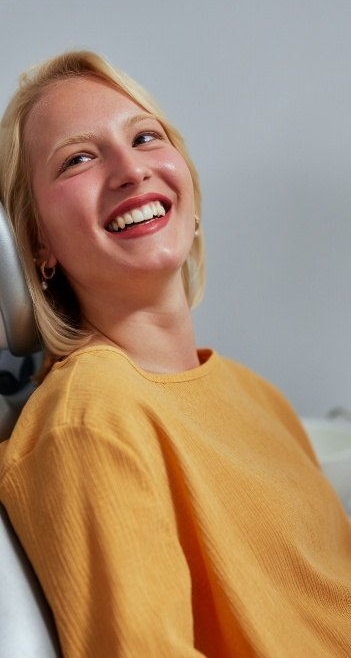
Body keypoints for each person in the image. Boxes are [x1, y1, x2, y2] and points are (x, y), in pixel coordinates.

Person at [0, 50, 350, 658]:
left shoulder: (257, 395)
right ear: (38, 244)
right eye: (78, 158)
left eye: (145, 137)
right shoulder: (91, 420)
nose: (131, 170)